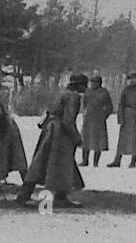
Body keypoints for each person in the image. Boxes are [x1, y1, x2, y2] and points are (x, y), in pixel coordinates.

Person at [17, 74, 86, 207]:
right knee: (62, 164)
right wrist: (76, 138)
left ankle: (25, 195)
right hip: (60, 134)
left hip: (50, 129)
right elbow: (68, 120)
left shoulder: (62, 93)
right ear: (80, 85)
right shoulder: (74, 97)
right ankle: (59, 197)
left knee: (42, 163)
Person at [110, 71, 136, 168]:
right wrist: (120, 118)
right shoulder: (126, 90)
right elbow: (121, 104)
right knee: (122, 140)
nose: (132, 81)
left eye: (134, 78)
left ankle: (133, 162)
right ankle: (117, 160)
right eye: (130, 79)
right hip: (127, 117)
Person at [80, 75, 113, 167]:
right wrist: (85, 113)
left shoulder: (104, 92)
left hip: (99, 120)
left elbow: (110, 107)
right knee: (86, 140)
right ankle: (85, 160)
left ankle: (96, 162)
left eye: (96, 82)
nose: (93, 84)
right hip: (88, 119)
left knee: (98, 141)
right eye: (92, 82)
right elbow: (84, 104)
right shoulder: (87, 91)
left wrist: (104, 115)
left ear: (100, 83)